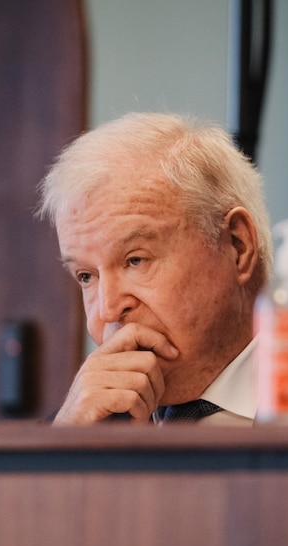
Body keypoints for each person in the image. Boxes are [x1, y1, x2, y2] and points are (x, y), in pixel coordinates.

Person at [36, 112, 273, 425]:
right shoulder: (71, 432)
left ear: (237, 246)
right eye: (86, 276)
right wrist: (68, 452)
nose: (108, 311)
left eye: (135, 260)